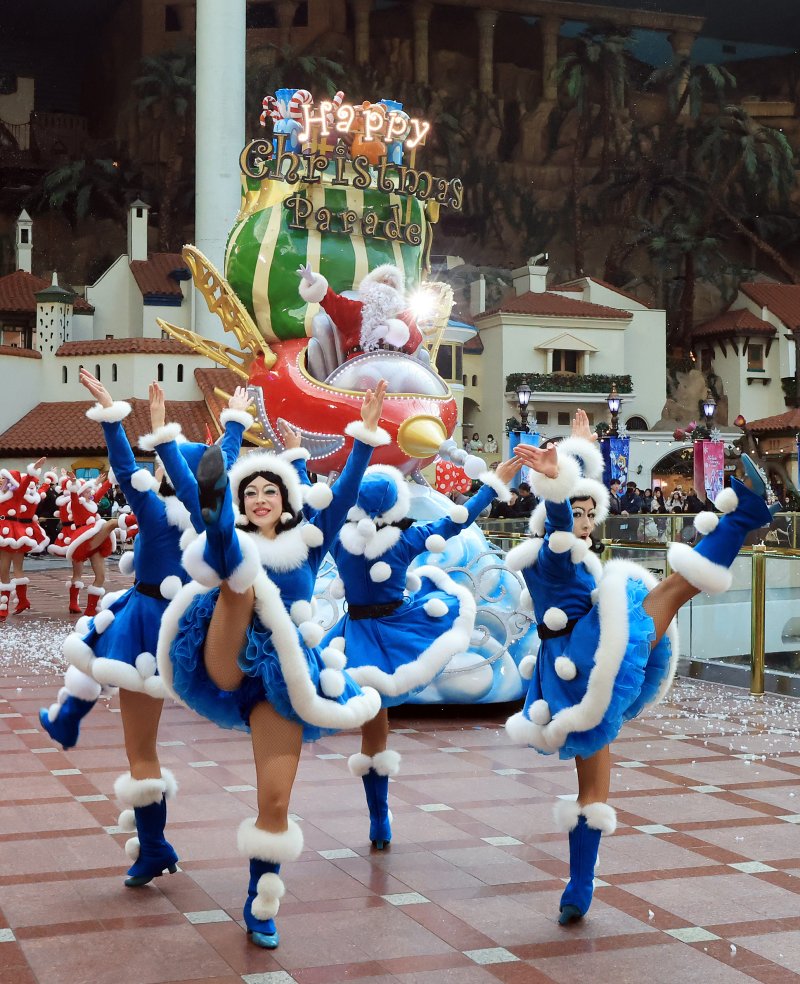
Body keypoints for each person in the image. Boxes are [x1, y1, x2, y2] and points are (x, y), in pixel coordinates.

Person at [506, 409, 776, 927]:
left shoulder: (571, 553)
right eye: (578, 514)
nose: (585, 522)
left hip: (575, 672)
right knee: (674, 588)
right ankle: (744, 518)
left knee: (593, 790)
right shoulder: (553, 552)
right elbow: (559, 522)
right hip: (587, 654)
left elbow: (569, 515)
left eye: (591, 514)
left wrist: (578, 455)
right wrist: (557, 475)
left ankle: (579, 887)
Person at [153, 383, 389, 950]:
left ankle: (262, 900)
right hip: (225, 650)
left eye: (269, 490)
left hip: (282, 676)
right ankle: (217, 523)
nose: (260, 498)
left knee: (276, 799)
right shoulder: (236, 531)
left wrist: (364, 436)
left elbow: (349, 487)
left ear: (285, 500)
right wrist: (165, 443)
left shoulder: (310, 544)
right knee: (236, 568)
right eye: (249, 491)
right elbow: (190, 491)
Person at [39, 370, 253, 891]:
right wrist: (232, 427)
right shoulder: (212, 523)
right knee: (99, 628)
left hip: (149, 630)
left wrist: (115, 417)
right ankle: (70, 717)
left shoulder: (155, 514)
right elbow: (213, 470)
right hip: (193, 627)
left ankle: (153, 844)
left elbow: (123, 465)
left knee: (141, 745)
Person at [326, 456, 517, 849]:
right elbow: (456, 521)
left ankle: (378, 816)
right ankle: (380, 819)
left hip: (356, 637)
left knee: (371, 730)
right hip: (399, 633)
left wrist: (297, 461)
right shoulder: (405, 540)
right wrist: (491, 485)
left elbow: (310, 509)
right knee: (379, 730)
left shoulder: (337, 538)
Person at [297, 263, 422, 359]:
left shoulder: (403, 316)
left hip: (396, 364)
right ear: (371, 284)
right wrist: (313, 281)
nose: (386, 287)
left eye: (392, 285)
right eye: (384, 282)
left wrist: (390, 329)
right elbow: (332, 301)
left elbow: (415, 340)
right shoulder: (356, 309)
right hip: (360, 363)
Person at [0, 458, 55, 617]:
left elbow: (24, 484)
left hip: (11, 532)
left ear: (10, 481)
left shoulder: (16, 494)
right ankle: (18, 602)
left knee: (8, 568)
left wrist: (32, 471)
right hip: (10, 531)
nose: (1, 479)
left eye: (4, 478)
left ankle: (5, 607)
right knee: (7, 569)